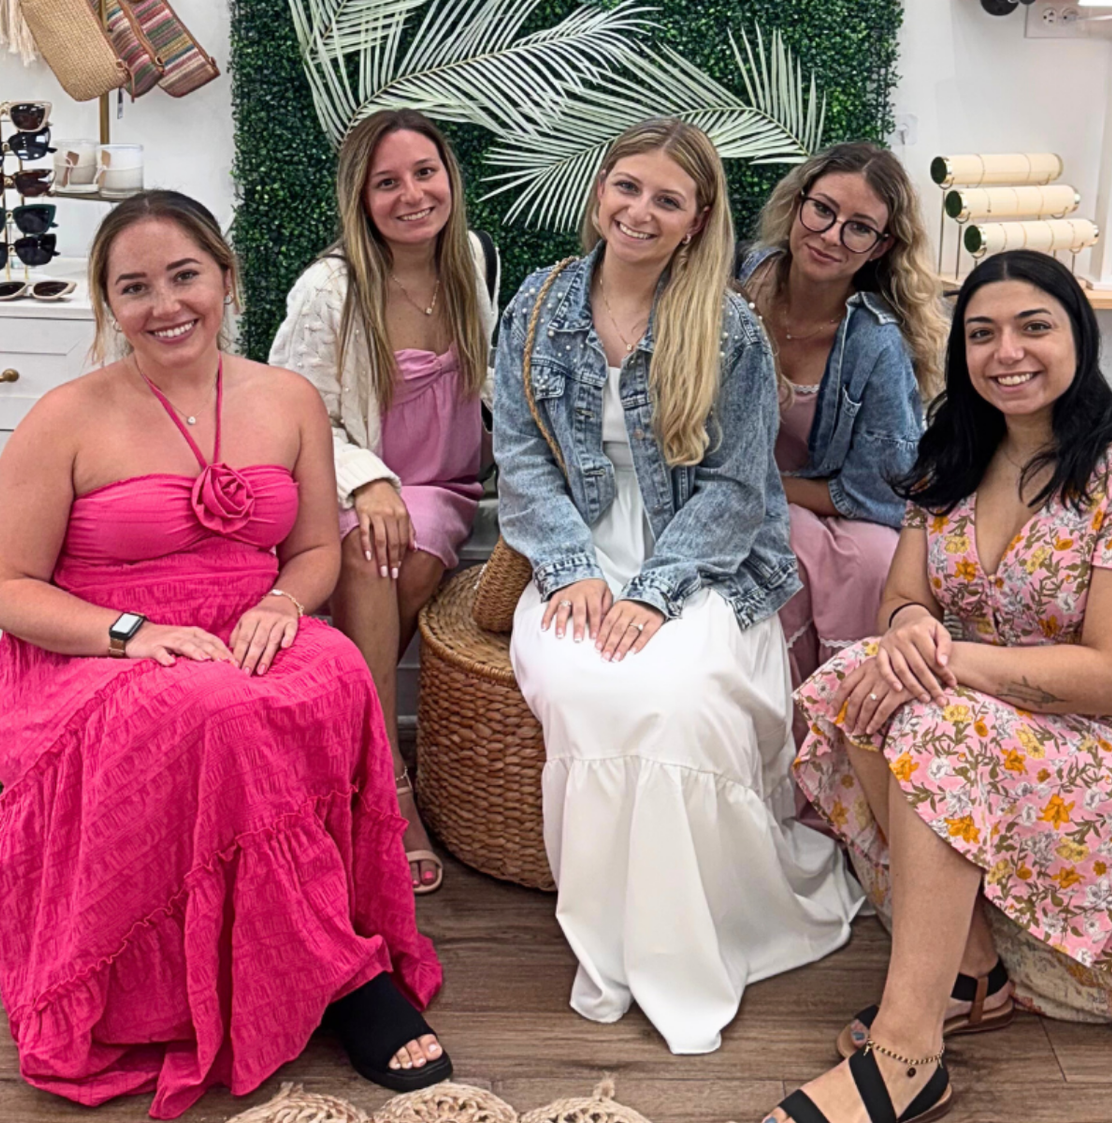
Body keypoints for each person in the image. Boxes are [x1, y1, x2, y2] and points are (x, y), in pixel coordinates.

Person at [0, 190, 449, 1120]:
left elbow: (313, 552)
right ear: (109, 304)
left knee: (337, 673)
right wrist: (133, 635)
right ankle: (348, 980)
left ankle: (302, 946)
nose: (165, 305)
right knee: (218, 710)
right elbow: (7, 589)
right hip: (95, 646)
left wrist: (282, 601)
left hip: (246, 618)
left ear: (227, 280)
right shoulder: (64, 418)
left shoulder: (286, 399)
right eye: (134, 287)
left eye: (184, 276)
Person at [758, 250, 1112, 1123]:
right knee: (854, 686)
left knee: (931, 722)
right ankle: (973, 972)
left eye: (1032, 327)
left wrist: (945, 661)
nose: (1005, 352)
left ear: (1078, 338)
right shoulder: (951, 460)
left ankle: (907, 1056)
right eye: (981, 334)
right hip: (993, 716)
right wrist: (906, 634)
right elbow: (904, 598)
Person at [495, 118, 861, 1056]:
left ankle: (703, 942)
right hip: (576, 552)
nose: (640, 212)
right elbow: (521, 459)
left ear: (698, 221)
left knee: (674, 698)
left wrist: (653, 592)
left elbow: (738, 489)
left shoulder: (727, 327)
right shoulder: (536, 305)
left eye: (668, 200)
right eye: (627, 188)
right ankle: (614, 949)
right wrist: (572, 570)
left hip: (701, 561)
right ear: (599, 191)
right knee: (584, 690)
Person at [270, 110, 498, 895]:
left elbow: (489, 383)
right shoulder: (328, 290)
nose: (412, 195)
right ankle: (388, 784)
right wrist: (367, 481)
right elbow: (297, 412)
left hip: (444, 484)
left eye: (424, 173)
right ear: (360, 199)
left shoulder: (469, 259)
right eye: (387, 183)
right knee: (372, 549)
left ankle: (330, 742)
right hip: (353, 483)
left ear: (448, 177)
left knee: (398, 551)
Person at [741, 143, 944, 688]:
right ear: (798, 203)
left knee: (876, 560)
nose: (831, 236)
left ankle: (839, 715)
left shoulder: (876, 343)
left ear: (882, 246)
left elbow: (882, 493)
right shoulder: (732, 287)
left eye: (859, 228)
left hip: (826, 505)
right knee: (774, 540)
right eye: (823, 210)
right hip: (726, 489)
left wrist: (766, 486)